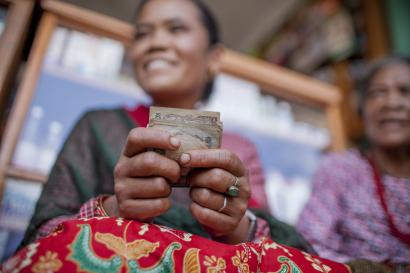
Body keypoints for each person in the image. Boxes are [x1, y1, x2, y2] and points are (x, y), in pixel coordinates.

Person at [20, 0, 311, 251]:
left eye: (176, 29)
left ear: (214, 58)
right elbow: (39, 237)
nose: (155, 43)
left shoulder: (239, 150)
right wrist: (111, 210)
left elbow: (275, 250)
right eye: (142, 34)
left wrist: (235, 225)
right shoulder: (98, 126)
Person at [297, 57, 410, 272]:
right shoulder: (342, 170)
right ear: (361, 110)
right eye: (378, 93)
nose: (391, 103)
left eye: (405, 91)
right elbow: (309, 243)